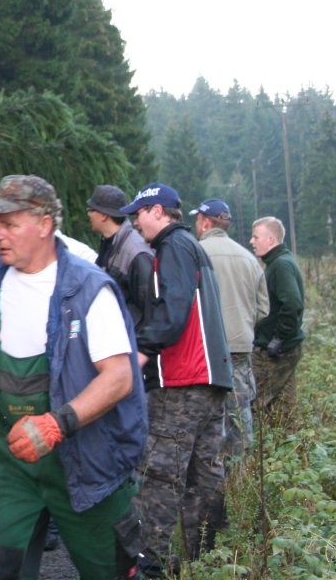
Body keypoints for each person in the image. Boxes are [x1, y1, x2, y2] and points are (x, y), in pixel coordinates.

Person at [0, 175, 147, 579]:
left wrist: (55, 424)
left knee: (109, 571)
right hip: (12, 462)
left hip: (86, 460)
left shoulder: (87, 288)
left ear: (44, 224)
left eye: (10, 224)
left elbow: (119, 377)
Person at [120, 183, 233, 576]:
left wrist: (140, 351)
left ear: (158, 211)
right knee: (205, 475)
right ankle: (208, 560)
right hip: (212, 380)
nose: (136, 223)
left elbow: (173, 311)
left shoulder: (172, 247)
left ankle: (149, 564)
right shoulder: (192, 246)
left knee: (159, 474)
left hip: (183, 380)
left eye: (139, 213)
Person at [191, 199, 268, 453]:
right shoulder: (248, 258)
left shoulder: (194, 253)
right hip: (240, 347)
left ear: (205, 222)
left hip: (205, 350)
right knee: (240, 412)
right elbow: (263, 309)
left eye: (197, 220)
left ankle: (212, 465)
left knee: (206, 414)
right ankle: (243, 467)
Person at [249, 216, 306, 421]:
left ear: (271, 240)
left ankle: (252, 442)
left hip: (276, 351)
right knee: (283, 409)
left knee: (252, 403)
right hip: (286, 347)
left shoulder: (281, 265)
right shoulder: (280, 261)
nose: (251, 241)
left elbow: (292, 304)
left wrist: (278, 338)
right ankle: (288, 439)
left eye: (256, 237)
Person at [86, 184, 154, 328]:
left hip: (131, 338)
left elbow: (149, 311)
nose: (88, 214)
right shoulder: (108, 243)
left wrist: (136, 340)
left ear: (104, 215)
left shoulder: (137, 253)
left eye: (91, 209)